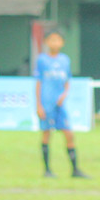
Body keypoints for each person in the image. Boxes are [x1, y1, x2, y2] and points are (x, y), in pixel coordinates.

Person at [34, 30, 89, 178]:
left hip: (60, 105)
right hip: (46, 103)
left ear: (62, 43)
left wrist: (64, 94)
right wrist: (39, 104)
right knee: (47, 134)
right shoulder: (42, 60)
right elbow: (38, 82)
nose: (55, 43)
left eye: (57, 40)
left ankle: (75, 170)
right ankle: (47, 170)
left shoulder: (65, 60)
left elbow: (67, 81)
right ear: (46, 42)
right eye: (51, 40)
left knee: (69, 134)